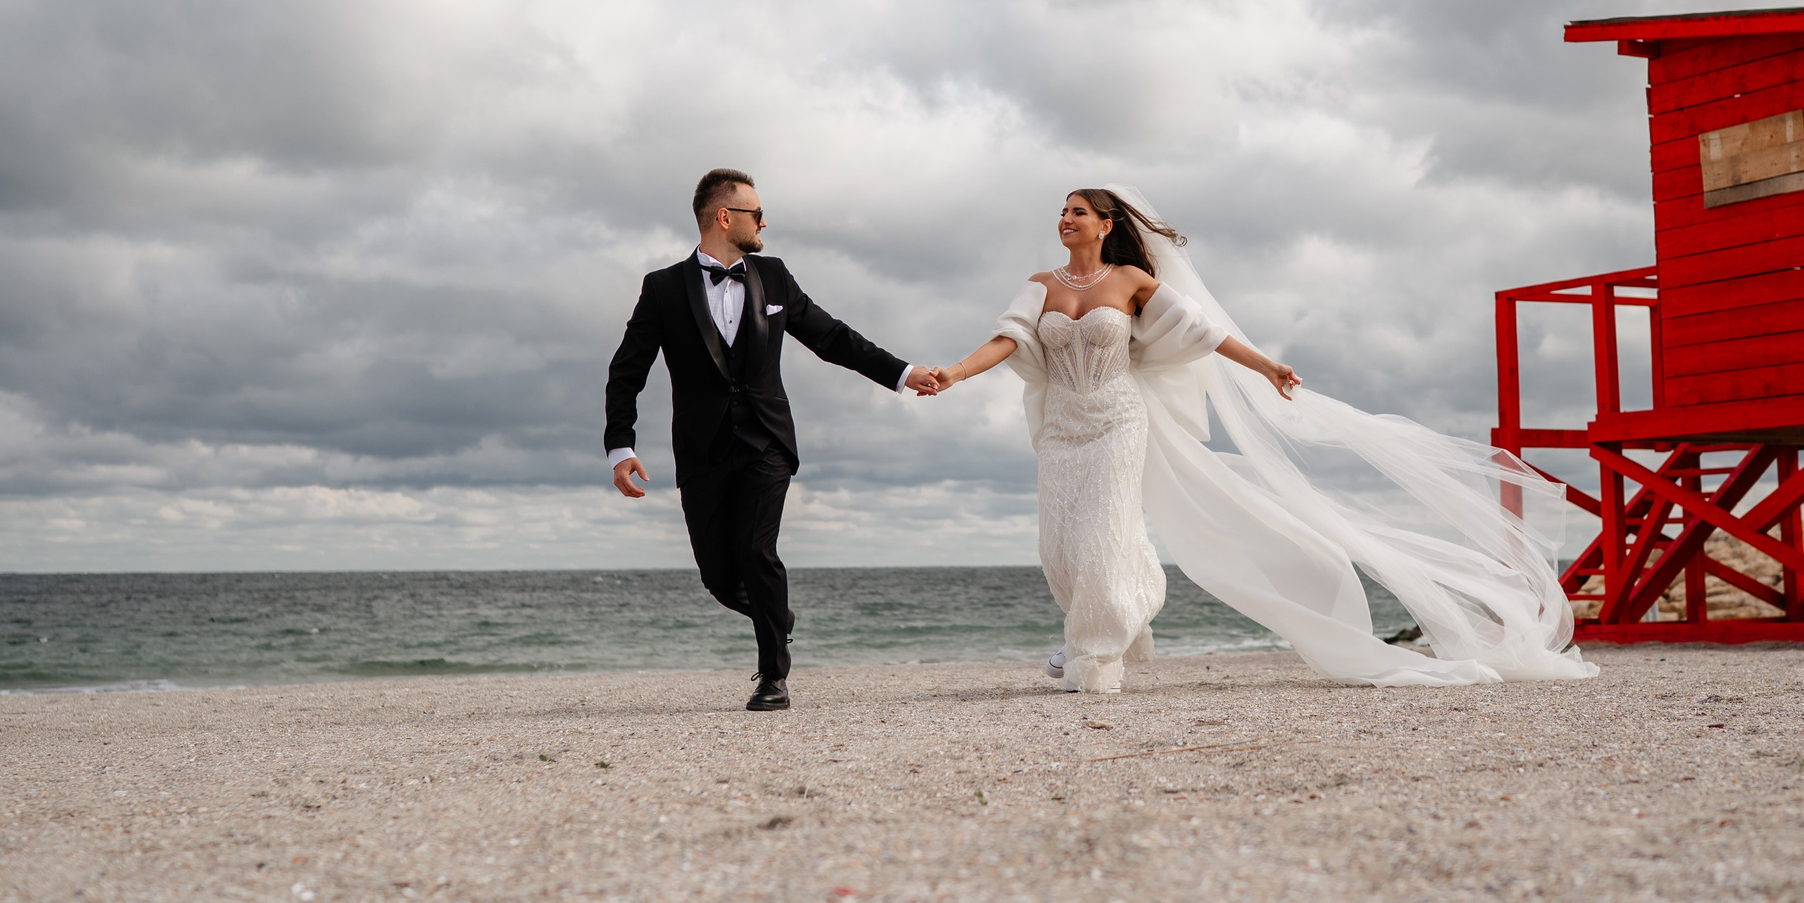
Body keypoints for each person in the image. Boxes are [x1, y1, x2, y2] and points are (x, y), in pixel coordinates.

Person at [928, 188, 1592, 692]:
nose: (1065, 218)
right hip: (1063, 429)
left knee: (1101, 534)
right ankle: (1127, 603)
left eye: (1078, 211)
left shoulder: (1131, 281)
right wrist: (954, 373)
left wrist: (1266, 366)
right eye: (1062, 211)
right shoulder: (1041, 285)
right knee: (1060, 547)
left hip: (1118, 421)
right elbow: (1008, 339)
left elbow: (1204, 332)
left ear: (1106, 225)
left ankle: (1093, 657)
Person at [604, 169, 940, 712]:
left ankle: (773, 678)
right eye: (756, 214)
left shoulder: (774, 276)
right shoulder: (663, 288)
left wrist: (901, 373)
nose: (764, 223)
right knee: (718, 575)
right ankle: (776, 613)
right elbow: (627, 369)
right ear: (724, 217)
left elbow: (831, 337)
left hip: (767, 441)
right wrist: (621, 446)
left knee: (757, 551)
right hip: (701, 449)